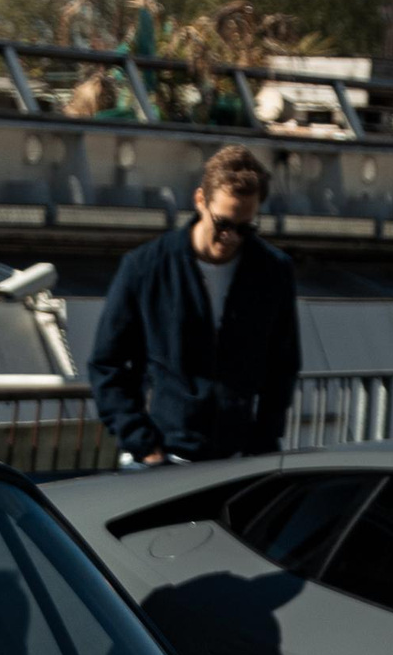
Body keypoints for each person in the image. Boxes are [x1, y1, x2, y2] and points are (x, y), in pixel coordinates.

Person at [89, 145, 301, 465]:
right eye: (224, 223)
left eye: (245, 228)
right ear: (200, 200)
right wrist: (143, 444)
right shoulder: (146, 267)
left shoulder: (274, 271)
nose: (231, 237)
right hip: (160, 455)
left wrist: (264, 440)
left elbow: (283, 365)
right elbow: (107, 363)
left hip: (241, 457)